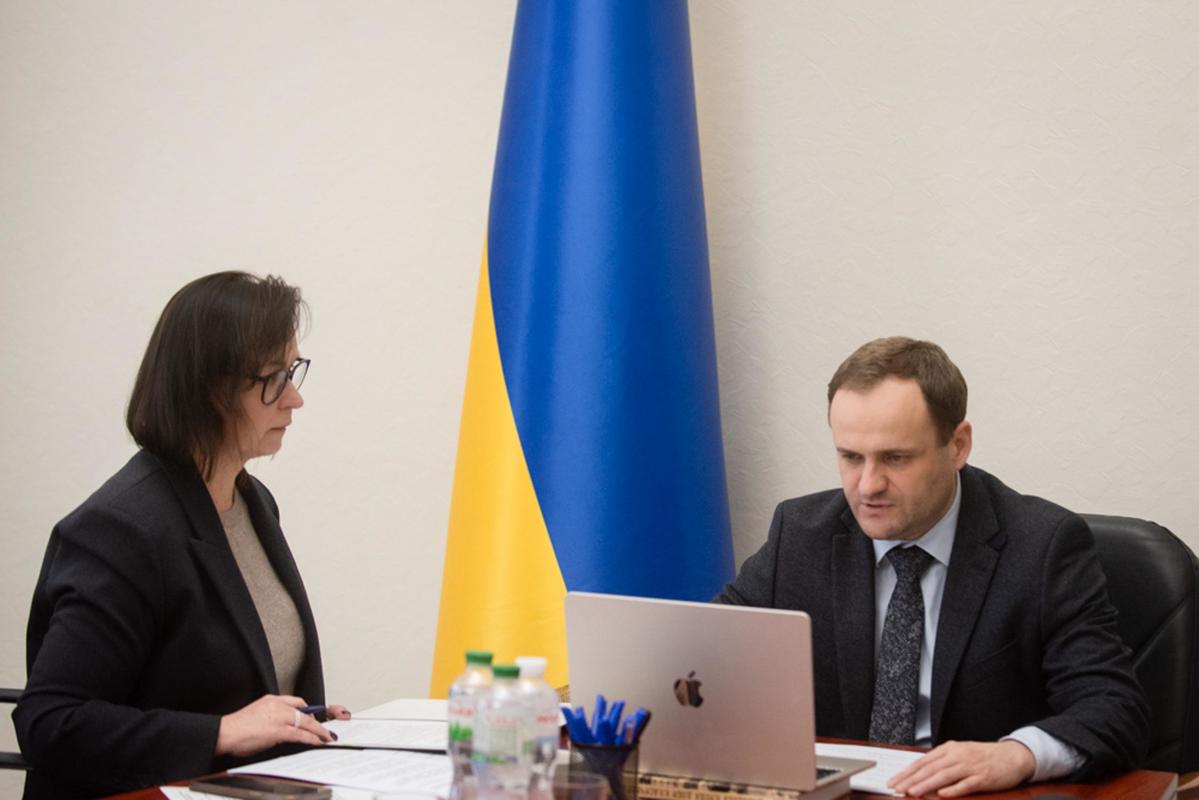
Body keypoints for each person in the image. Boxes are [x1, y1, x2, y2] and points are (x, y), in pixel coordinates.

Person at [718, 336, 1148, 797]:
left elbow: (1114, 708)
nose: (868, 485)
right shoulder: (801, 535)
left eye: (895, 458)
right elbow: (707, 656)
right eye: (851, 457)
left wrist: (1015, 755)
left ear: (958, 445)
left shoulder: (1043, 546)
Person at [15, 271, 350, 799]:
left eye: (292, 372)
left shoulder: (253, 501)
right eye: (273, 378)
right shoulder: (121, 531)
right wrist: (224, 732)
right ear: (209, 391)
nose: (294, 399)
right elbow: (50, 722)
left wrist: (296, 718)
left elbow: (229, 681)